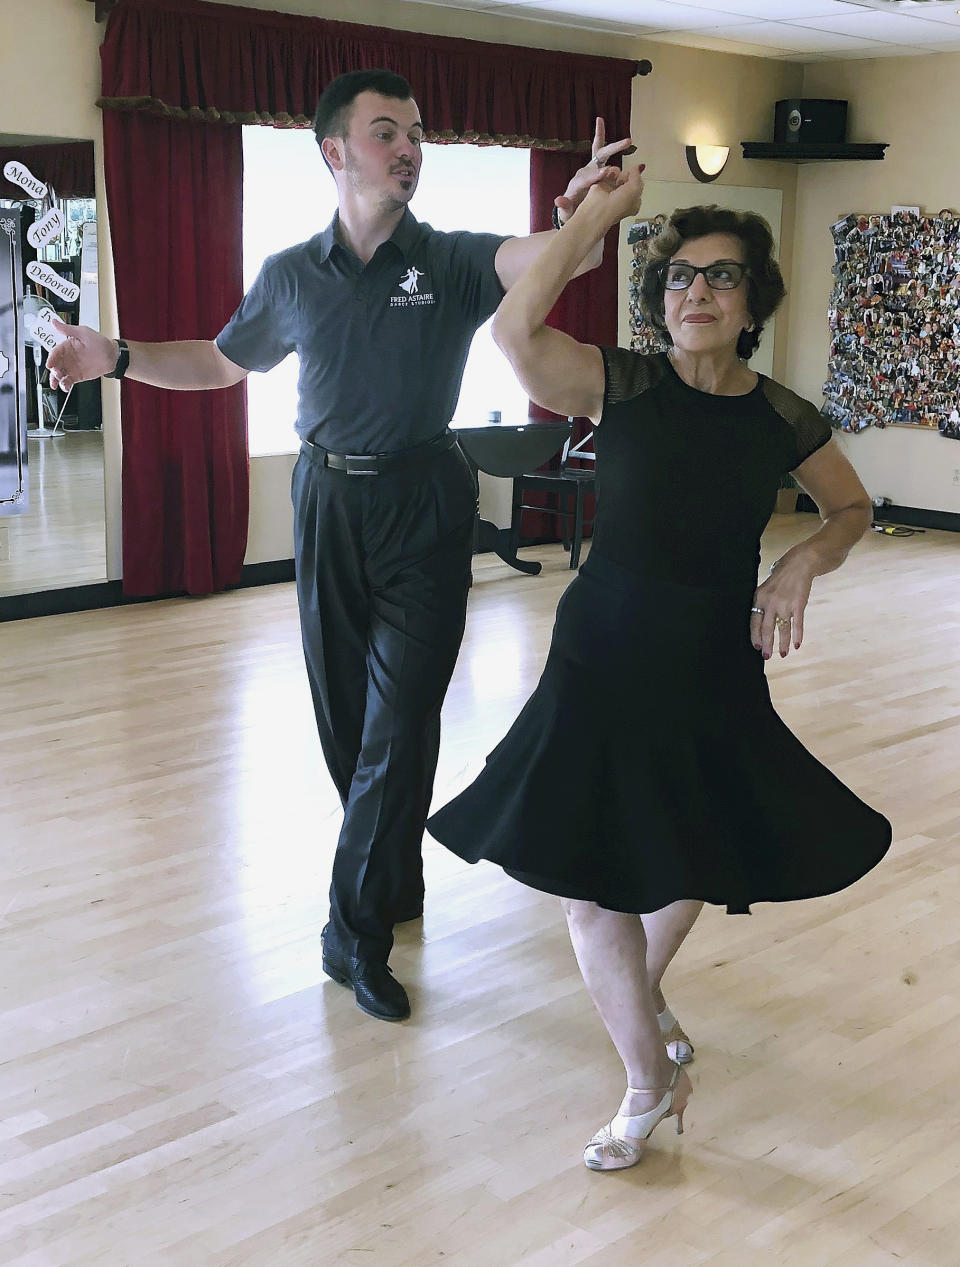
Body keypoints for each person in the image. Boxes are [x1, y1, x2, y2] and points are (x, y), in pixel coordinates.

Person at [44, 69, 630, 1024]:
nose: (409, 149)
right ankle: (391, 880)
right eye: (387, 131)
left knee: (399, 728)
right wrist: (117, 355)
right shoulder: (290, 273)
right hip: (325, 500)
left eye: (417, 134)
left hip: (425, 504)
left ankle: (349, 933)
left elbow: (549, 263)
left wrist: (586, 217)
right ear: (335, 152)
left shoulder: (446, 261)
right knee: (347, 727)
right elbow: (222, 362)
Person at [426, 168, 892, 1170]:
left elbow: (851, 509)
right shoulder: (619, 383)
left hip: (713, 667)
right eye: (680, 277)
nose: (696, 294)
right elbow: (511, 337)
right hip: (598, 660)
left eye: (722, 279)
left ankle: (641, 1015)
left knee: (687, 854)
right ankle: (650, 1076)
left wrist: (802, 561)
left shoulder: (782, 417)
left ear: (755, 303)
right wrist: (592, 217)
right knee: (591, 891)